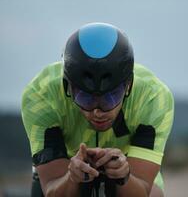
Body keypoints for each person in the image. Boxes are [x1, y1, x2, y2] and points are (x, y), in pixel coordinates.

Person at [21, 22, 174, 197]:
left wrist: (124, 176)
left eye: (111, 97)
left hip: (129, 166)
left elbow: (141, 191)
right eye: (85, 97)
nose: (97, 112)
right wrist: (72, 178)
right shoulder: (41, 95)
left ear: (128, 86)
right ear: (67, 87)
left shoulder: (153, 98)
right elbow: (53, 189)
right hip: (65, 168)